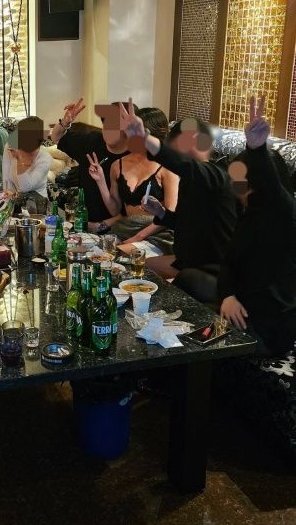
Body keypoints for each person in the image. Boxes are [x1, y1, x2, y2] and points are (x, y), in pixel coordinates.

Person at [216, 97, 296, 357]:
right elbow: (229, 263)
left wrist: (257, 148)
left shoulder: (283, 213)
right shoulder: (247, 214)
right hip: (239, 305)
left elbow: (273, 190)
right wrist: (228, 297)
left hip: (270, 323)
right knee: (188, 281)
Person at [130, 115, 239, 303]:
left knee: (147, 277)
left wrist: (145, 137)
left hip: (212, 269)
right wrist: (161, 212)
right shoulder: (190, 179)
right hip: (187, 261)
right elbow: (183, 222)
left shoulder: (216, 175)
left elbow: (181, 164)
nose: (173, 154)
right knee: (138, 266)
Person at [87, 106, 178, 255]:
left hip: (158, 232)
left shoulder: (168, 167)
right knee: (91, 252)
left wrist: (137, 237)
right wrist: (100, 180)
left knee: (116, 255)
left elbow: (170, 215)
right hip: (127, 227)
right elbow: (115, 210)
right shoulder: (118, 165)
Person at [51, 98, 129, 225]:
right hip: (86, 219)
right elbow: (56, 137)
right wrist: (65, 122)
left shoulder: (134, 159)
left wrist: (99, 226)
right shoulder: (92, 141)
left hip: (118, 227)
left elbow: (129, 213)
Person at [2, 115, 52, 213]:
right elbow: (6, 178)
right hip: (16, 204)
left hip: (38, 208)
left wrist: (19, 158)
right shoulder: (11, 146)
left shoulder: (45, 159)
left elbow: (25, 187)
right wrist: (8, 198)